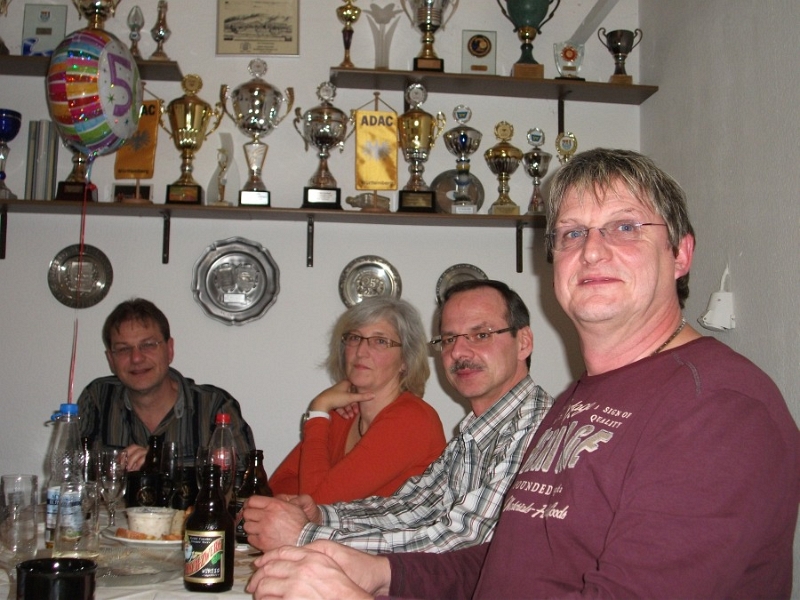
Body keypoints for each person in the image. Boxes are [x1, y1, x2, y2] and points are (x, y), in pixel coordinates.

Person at [246, 148, 800, 600]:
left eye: (625, 226)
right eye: (572, 233)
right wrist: (382, 573)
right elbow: (510, 563)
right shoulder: (577, 400)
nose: (593, 251)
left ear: (681, 255)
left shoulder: (720, 409)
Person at [243, 279, 554, 554]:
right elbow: (414, 506)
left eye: (481, 334)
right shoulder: (473, 433)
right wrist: (322, 516)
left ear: (523, 342)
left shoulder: (535, 427)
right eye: (449, 339)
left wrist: (307, 535)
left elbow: (460, 540)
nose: (459, 352)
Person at [268, 297, 447, 504]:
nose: (361, 351)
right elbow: (279, 484)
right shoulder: (343, 415)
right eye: (354, 338)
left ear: (405, 361)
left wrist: (319, 409)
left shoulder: (412, 420)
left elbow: (318, 505)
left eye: (380, 341)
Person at [77, 298, 256, 470]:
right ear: (111, 359)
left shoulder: (215, 407)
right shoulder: (97, 398)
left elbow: (244, 481)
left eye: (148, 345)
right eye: (124, 349)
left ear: (169, 350)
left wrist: (162, 466)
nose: (136, 358)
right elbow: (71, 472)